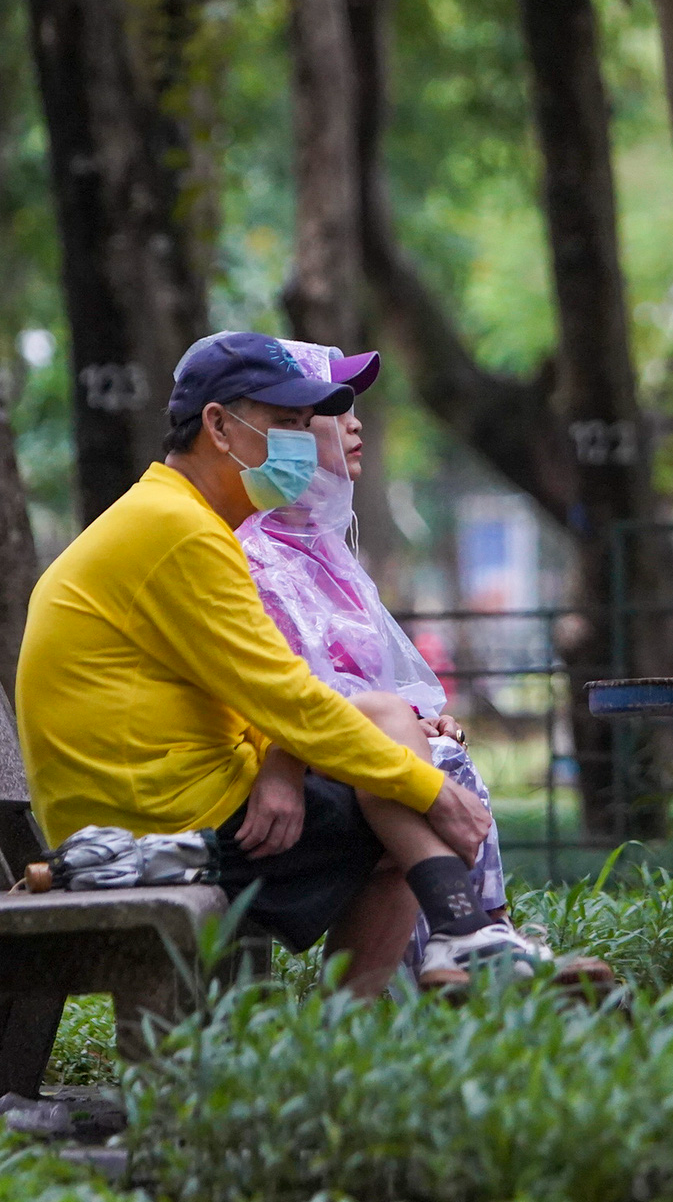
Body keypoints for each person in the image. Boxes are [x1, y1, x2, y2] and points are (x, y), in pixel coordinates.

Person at [17, 331, 555, 994]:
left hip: (164, 801)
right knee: (400, 806)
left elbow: (259, 694)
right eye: (285, 424)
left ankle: (453, 940)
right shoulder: (178, 531)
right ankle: (411, 977)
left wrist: (286, 759)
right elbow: (289, 697)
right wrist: (437, 794)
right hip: (153, 828)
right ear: (218, 425)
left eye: (307, 425)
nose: (301, 443)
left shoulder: (179, 519)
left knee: (386, 717)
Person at [234, 336, 582, 986]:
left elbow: (359, 680)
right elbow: (285, 693)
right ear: (281, 431)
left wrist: (419, 715)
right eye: (331, 409)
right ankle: (480, 947)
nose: (355, 422)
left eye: (354, 407)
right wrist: (397, 726)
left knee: (434, 754)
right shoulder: (257, 556)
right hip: (282, 774)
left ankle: (472, 950)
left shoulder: (329, 552)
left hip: (339, 756)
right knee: (424, 771)